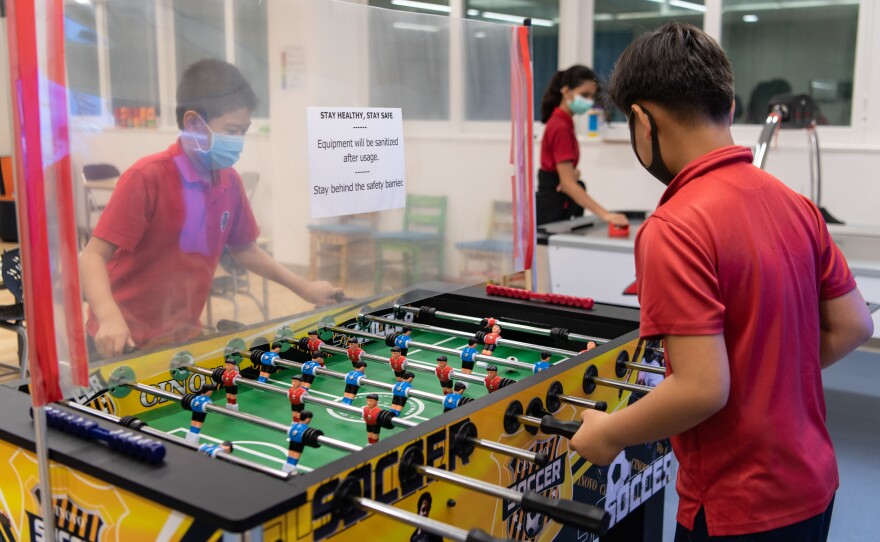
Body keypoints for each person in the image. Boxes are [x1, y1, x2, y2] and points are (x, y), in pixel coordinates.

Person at [569, 22, 873, 541]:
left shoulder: (673, 225)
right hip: (813, 485)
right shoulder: (797, 205)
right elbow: (854, 325)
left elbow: (701, 388)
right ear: (729, 108)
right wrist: (770, 377)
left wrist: (610, 433)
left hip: (737, 505)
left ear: (642, 121)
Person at [80, 59, 341, 359]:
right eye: (231, 130)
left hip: (180, 338)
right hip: (121, 341)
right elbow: (92, 257)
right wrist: (109, 317)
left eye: (244, 131)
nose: (239, 141)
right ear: (193, 123)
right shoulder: (147, 176)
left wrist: (304, 287)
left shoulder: (229, 181)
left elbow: (245, 249)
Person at [537, 65, 629, 227]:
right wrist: (606, 215)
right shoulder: (560, 127)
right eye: (584, 95)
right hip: (554, 208)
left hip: (557, 202)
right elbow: (567, 184)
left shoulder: (565, 122)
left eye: (591, 96)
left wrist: (572, 174)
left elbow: (565, 174)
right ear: (566, 91)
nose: (588, 101)